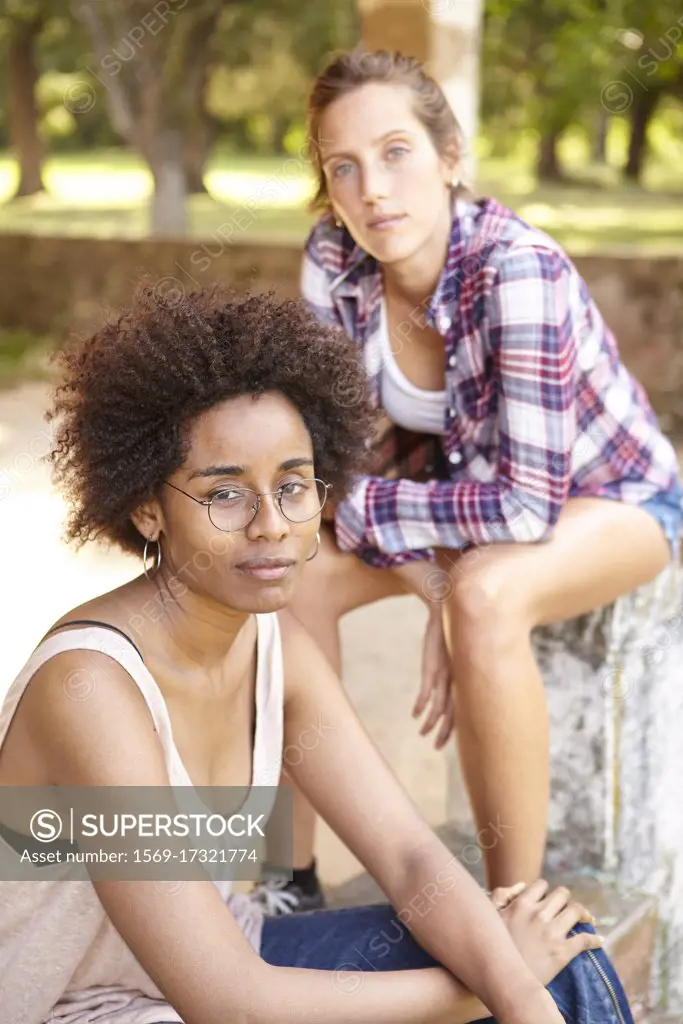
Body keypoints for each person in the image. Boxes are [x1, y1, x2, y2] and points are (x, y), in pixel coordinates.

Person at [0, 283, 634, 1024]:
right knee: (508, 967)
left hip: (207, 970)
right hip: (78, 1009)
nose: (271, 524)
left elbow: (409, 860)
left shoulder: (277, 652)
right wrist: (489, 987)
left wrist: (520, 986)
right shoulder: (90, 688)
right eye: (224, 494)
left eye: (293, 486)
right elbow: (229, 1004)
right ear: (148, 507)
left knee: (564, 949)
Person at [284, 47, 683, 900]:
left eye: (396, 152)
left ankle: (515, 909)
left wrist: (453, 583)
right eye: (342, 166)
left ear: (449, 155)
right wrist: (431, 572)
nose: (372, 191)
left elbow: (528, 506)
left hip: (611, 497)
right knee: (293, 574)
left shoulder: (517, 271)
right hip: (461, 499)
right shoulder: (332, 259)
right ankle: (289, 877)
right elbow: (329, 470)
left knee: (487, 598)